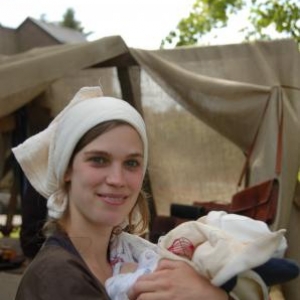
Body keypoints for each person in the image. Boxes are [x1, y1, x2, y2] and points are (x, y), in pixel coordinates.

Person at [12, 86, 228, 300]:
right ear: (66, 168)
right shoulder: (57, 278)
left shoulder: (127, 257)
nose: (117, 179)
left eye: (131, 163)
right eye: (98, 160)